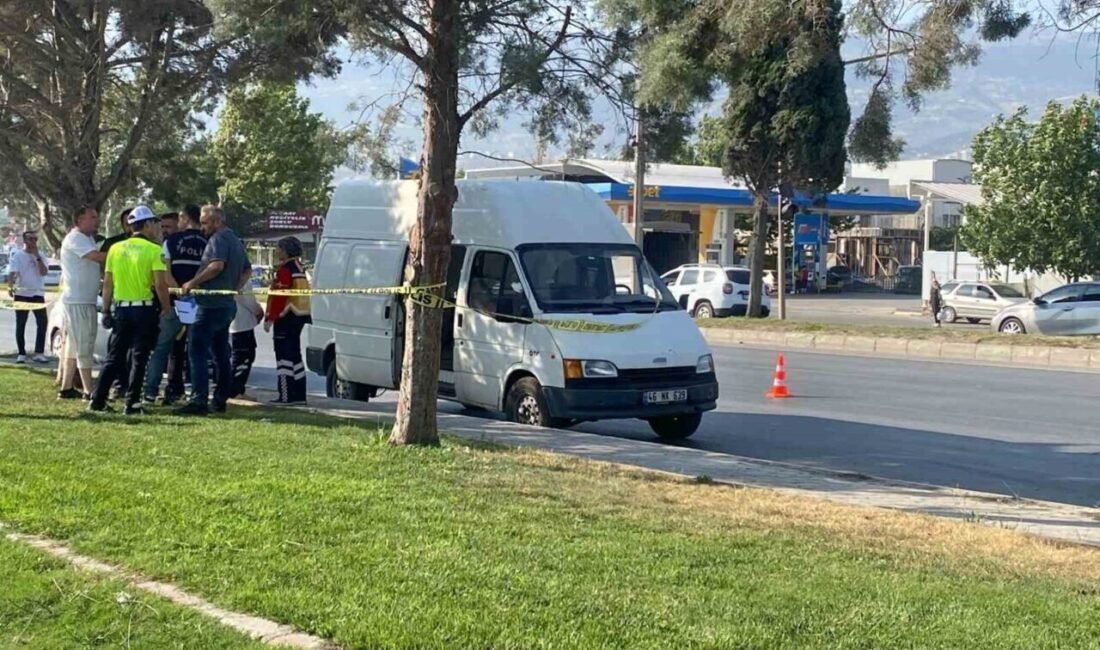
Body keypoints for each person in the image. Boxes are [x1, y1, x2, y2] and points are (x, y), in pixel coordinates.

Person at [88, 206, 170, 415]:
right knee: (139, 357)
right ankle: (132, 402)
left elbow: (107, 283)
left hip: (121, 310)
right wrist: (166, 305)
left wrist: (106, 309)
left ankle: (97, 399)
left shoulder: (116, 248)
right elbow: (160, 284)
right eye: (154, 223)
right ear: (148, 224)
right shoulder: (154, 250)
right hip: (144, 310)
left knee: (114, 356)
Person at [176, 205, 249, 416]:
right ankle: (219, 399)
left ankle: (198, 400)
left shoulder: (218, 239)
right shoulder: (235, 240)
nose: (202, 227)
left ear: (217, 222)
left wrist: (192, 282)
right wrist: (234, 288)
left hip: (210, 305)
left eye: (205, 223)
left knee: (196, 351)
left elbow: (216, 266)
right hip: (226, 305)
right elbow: (247, 269)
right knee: (220, 354)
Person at [143, 207, 206, 405]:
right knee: (195, 351)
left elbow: (165, 273)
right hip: (201, 302)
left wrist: (180, 293)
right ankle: (195, 395)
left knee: (162, 348)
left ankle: (150, 392)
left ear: (185, 218)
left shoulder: (171, 241)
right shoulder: (209, 242)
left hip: (176, 301)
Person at [58, 206, 107, 399]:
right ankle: (89, 391)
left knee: (73, 346)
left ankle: (66, 387)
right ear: (79, 219)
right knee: (85, 345)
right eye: (92, 217)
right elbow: (95, 257)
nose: (96, 220)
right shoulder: (76, 238)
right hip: (77, 300)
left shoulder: (87, 238)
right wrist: (121, 253)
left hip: (84, 299)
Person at [264, 237, 311, 404]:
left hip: (285, 317)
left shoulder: (285, 269)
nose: (278, 252)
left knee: (283, 357)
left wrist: (270, 318)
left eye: (279, 249)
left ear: (286, 250)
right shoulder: (299, 267)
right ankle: (299, 395)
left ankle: (285, 395)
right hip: (298, 316)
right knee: (295, 357)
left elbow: (279, 297)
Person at [100, 209, 133, 399]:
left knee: (135, 349)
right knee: (116, 347)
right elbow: (105, 275)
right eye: (126, 222)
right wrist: (105, 307)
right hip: (117, 301)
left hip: (140, 303)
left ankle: (130, 388)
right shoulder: (113, 244)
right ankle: (118, 385)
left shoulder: (151, 244)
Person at [6, 231, 50, 364]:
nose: (33, 242)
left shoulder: (41, 255)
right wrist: (10, 286)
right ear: (25, 240)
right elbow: (12, 273)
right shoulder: (18, 255)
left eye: (35, 239)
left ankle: (39, 352)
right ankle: (21, 353)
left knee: (42, 323)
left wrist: (36, 256)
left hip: (37, 294)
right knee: (21, 323)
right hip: (22, 294)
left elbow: (43, 272)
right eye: (30, 239)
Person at [229, 274, 264, 400]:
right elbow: (246, 299)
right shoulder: (240, 277)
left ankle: (238, 389)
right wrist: (258, 311)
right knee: (242, 357)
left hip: (238, 321)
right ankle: (235, 390)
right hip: (241, 323)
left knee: (243, 356)